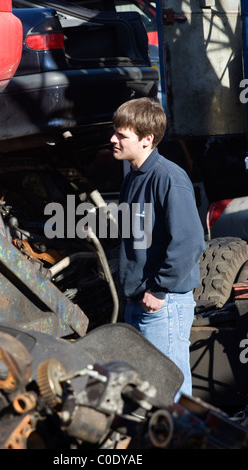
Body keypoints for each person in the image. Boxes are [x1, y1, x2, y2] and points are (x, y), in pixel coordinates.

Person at [111, 97, 206, 399]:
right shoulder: (133, 178)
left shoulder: (168, 177)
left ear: (146, 139)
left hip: (162, 306)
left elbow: (190, 241)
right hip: (139, 304)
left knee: (169, 396)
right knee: (144, 397)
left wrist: (159, 289)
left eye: (121, 135)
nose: (113, 139)